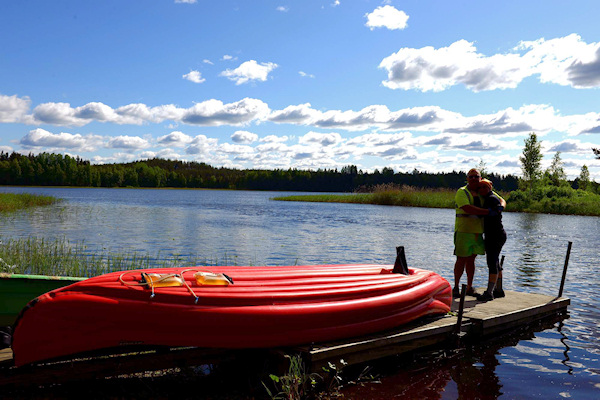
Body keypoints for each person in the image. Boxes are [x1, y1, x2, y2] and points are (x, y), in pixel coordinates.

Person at [453, 169, 505, 297]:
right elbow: (467, 208)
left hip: (478, 233)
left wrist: (500, 208)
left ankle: (469, 287)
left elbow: (502, 200)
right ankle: (456, 288)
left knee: (471, 260)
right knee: (461, 259)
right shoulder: (462, 192)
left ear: (480, 178)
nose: (474, 179)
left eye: (476, 177)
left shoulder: (483, 190)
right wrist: (488, 212)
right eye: (471, 177)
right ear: (467, 179)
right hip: (464, 231)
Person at [476, 178, 507, 301]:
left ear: (490, 188)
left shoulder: (491, 199)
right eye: (480, 187)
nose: (482, 189)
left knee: (492, 262)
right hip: (497, 235)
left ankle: (489, 293)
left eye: (485, 187)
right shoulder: (491, 198)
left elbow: (494, 211)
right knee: (495, 262)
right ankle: (498, 290)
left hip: (495, 235)